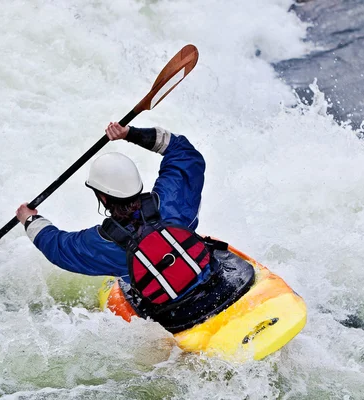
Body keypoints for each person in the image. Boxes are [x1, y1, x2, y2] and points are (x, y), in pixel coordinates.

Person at [15, 122, 254, 332]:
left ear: (103, 197)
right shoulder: (171, 201)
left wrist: (30, 219)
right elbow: (184, 153)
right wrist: (130, 133)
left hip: (180, 318)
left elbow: (58, 248)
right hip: (225, 289)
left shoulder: (104, 243)